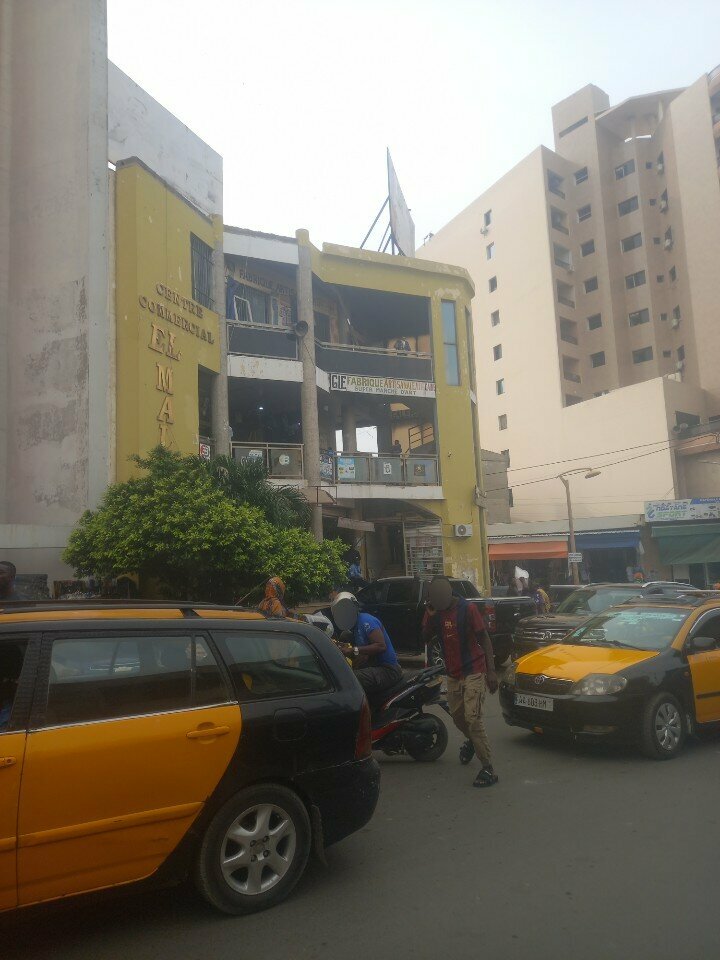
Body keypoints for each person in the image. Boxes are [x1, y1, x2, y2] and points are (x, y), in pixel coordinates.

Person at [422, 576, 499, 788]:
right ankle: (473, 742)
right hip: (453, 674)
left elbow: (484, 638)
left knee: (472, 718)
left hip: (474, 670)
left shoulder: (468, 609)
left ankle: (488, 768)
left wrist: (491, 671)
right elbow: (426, 638)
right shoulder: (435, 612)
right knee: (458, 718)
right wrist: (429, 617)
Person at [330, 592, 402, 700]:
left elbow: (381, 646)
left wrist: (352, 650)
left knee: (349, 680)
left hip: (388, 670)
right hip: (377, 667)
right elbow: (363, 656)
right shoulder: (355, 628)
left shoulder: (366, 621)